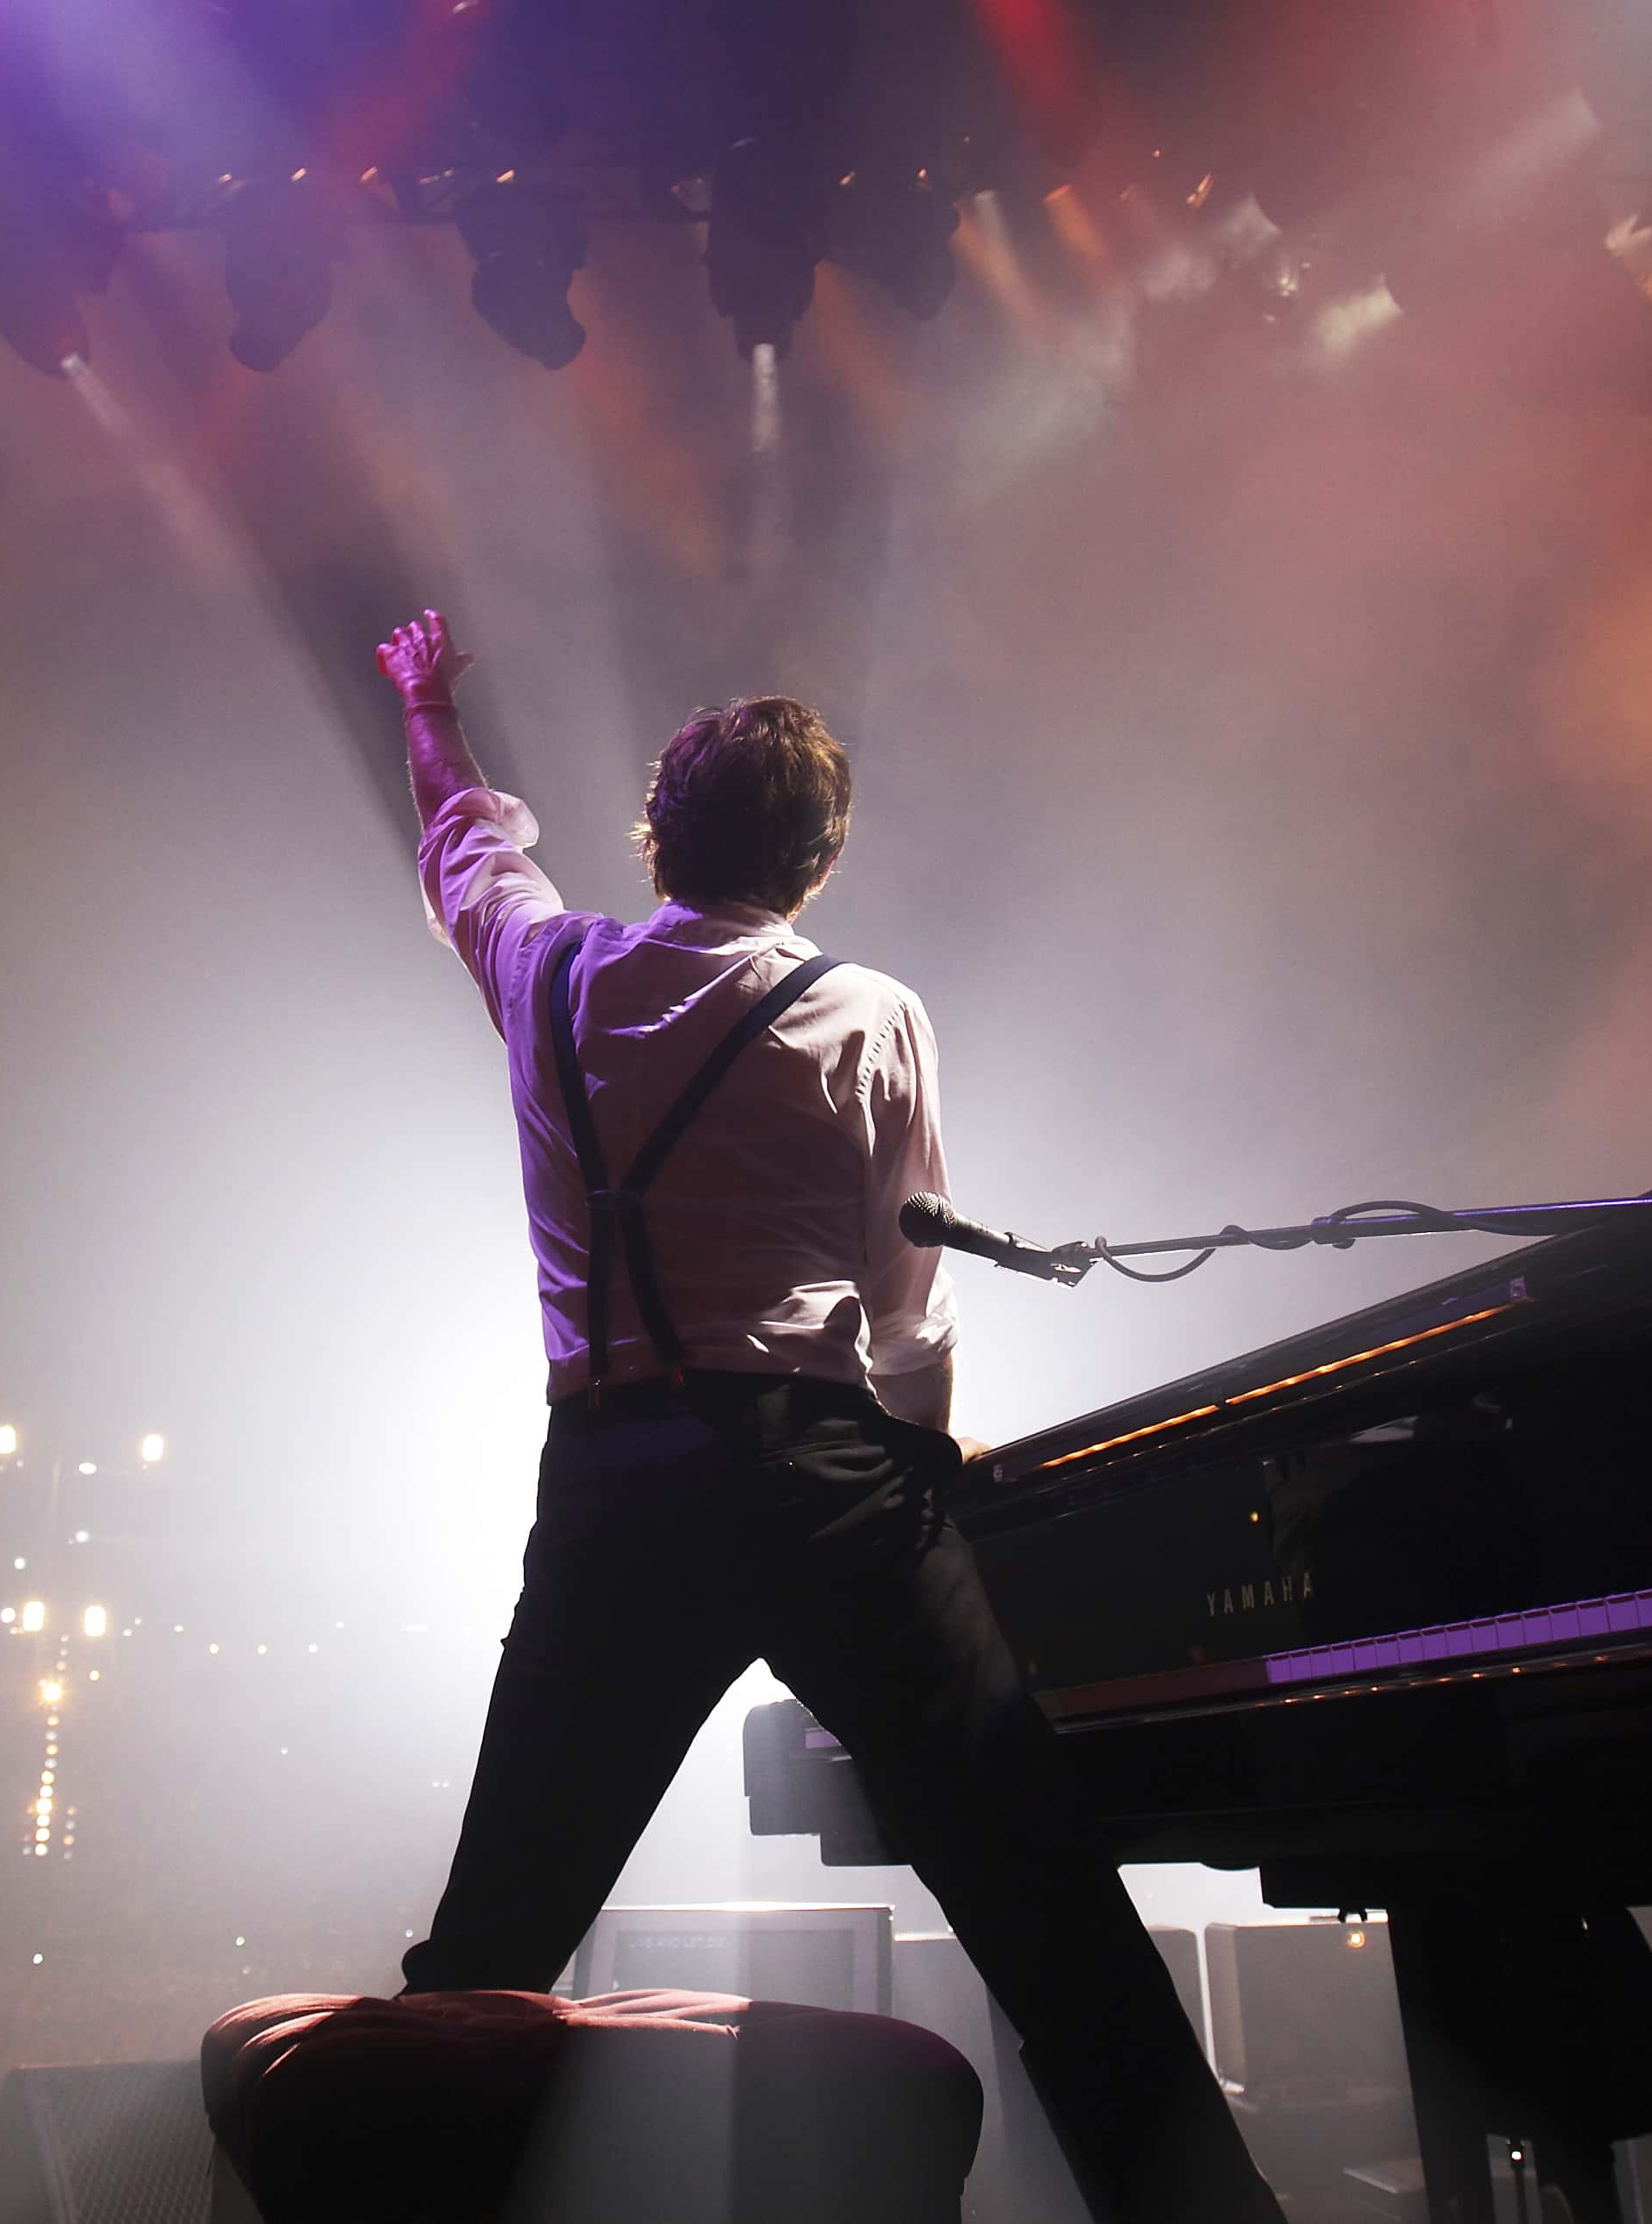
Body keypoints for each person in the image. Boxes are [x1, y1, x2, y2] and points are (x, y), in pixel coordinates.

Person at [376, 610, 1285, 2224]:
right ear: (820, 862)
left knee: (497, 1936)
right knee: (1041, 1904)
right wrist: (931, 1462)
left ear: (656, 833)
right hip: (821, 1482)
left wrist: (429, 704)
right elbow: (908, 1293)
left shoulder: (552, 976)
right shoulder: (871, 1013)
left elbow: (464, 846)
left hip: (611, 1484)